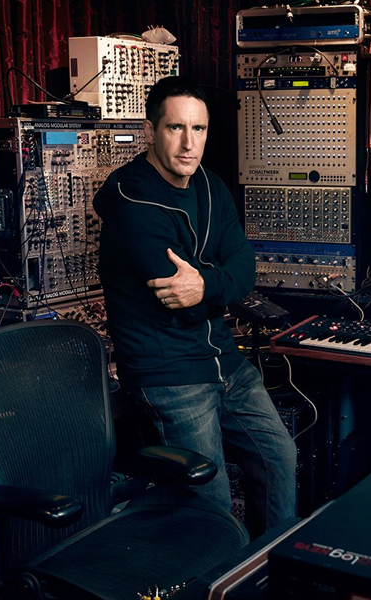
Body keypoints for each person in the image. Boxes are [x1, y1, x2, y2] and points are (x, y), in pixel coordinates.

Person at [93, 76, 296, 538]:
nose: (189, 143)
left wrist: (204, 284)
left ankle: (268, 567)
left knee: (280, 457)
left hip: (222, 359)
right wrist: (218, 284)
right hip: (170, 372)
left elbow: (244, 268)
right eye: (175, 128)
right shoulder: (131, 202)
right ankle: (215, 574)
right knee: (212, 500)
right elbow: (182, 305)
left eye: (198, 129)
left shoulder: (210, 186)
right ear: (150, 131)